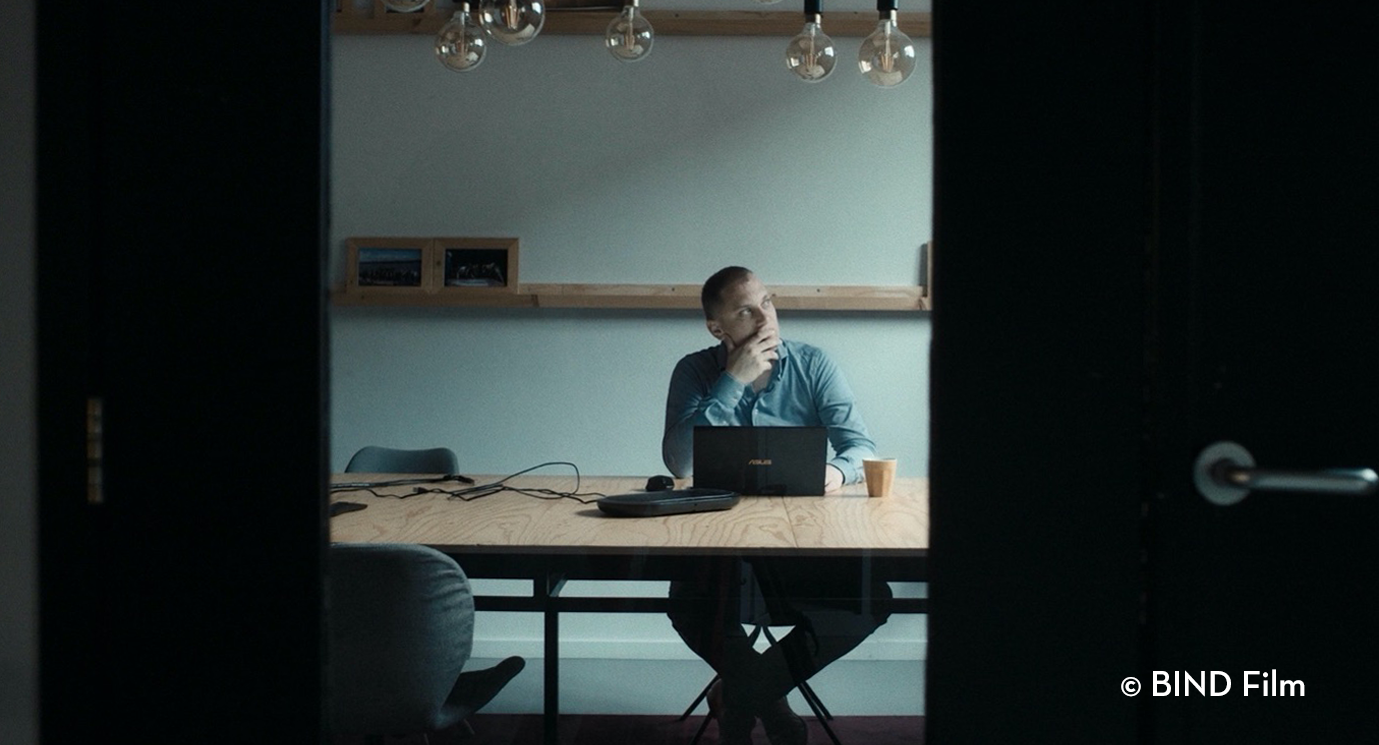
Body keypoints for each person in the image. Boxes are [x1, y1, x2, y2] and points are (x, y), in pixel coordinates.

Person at [661, 266, 892, 745]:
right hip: (721, 542)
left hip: (804, 540)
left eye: (767, 302)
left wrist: (835, 472)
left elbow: (861, 447)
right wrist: (731, 381)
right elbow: (679, 463)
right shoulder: (694, 371)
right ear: (717, 328)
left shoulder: (814, 364)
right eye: (746, 311)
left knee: (872, 599)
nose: (766, 318)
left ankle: (741, 694)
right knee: (688, 602)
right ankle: (770, 701)